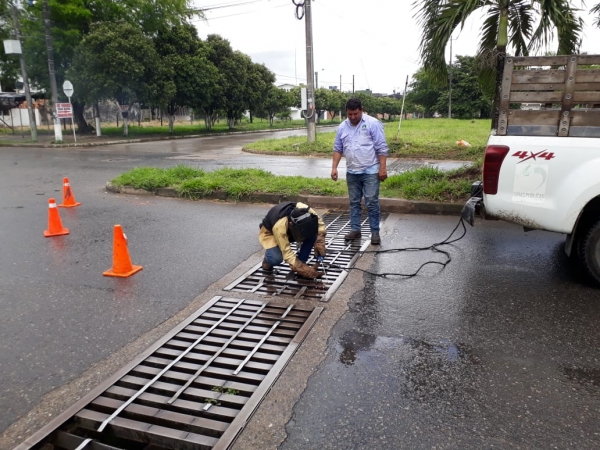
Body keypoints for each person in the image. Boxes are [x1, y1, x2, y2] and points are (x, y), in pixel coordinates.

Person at [331, 98, 389, 245]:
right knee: (354, 202)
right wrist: (334, 167)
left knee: (371, 202)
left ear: (361, 110)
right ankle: (355, 229)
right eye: (350, 114)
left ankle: (375, 232)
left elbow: (381, 147)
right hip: (352, 171)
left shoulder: (373, 124)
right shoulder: (342, 127)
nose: (352, 117)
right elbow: (338, 148)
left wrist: (382, 168)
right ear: (346, 112)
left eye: (355, 114)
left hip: (370, 170)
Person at [259, 202, 327, 279]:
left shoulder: (306, 210)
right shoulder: (279, 227)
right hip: (273, 234)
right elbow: (287, 253)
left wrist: (320, 241)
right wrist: (303, 269)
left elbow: (320, 224)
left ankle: (302, 260)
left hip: (293, 231)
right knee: (275, 259)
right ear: (291, 222)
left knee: (313, 232)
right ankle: (268, 260)